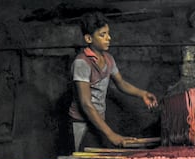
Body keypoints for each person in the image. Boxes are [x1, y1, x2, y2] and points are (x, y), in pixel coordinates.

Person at [68, 12, 158, 151]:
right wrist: (112, 135)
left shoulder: (108, 59)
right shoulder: (82, 63)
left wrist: (142, 94)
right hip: (82, 123)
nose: (108, 38)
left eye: (108, 33)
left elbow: (121, 83)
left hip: (99, 120)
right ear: (88, 38)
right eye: (102, 35)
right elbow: (86, 104)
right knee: (84, 157)